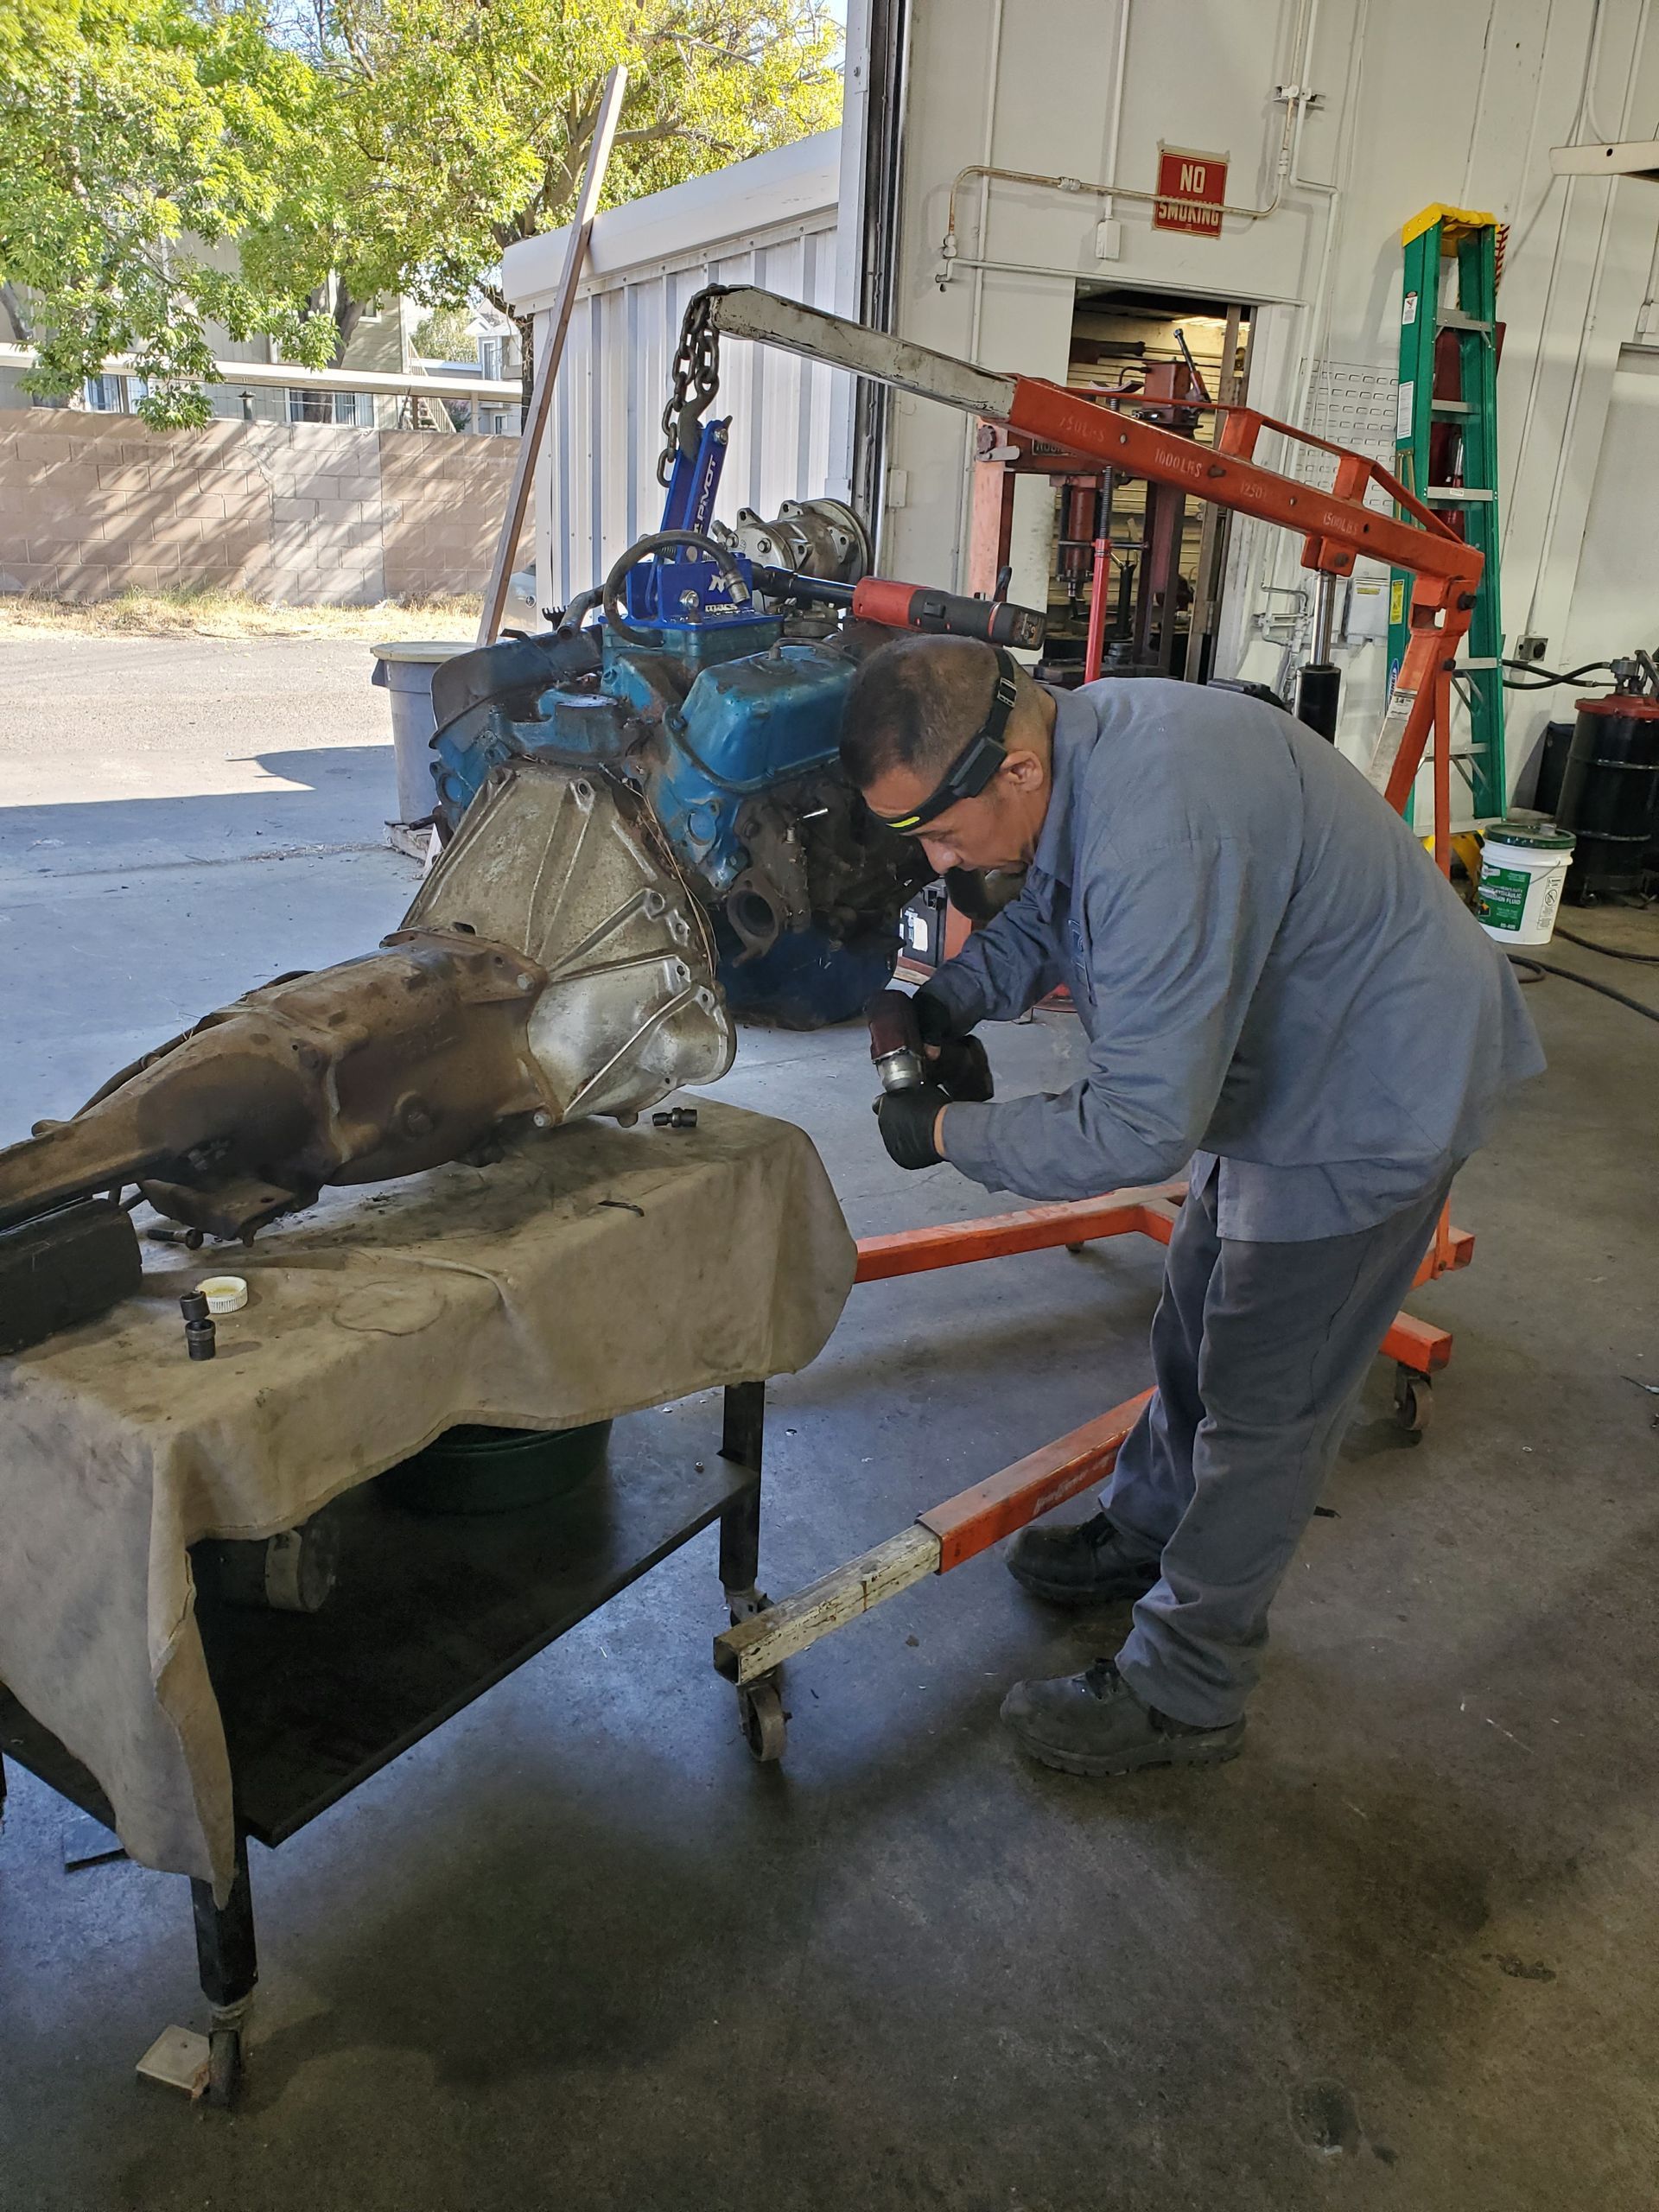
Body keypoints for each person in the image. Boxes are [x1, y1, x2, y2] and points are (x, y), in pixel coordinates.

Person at [841, 635, 1542, 1780]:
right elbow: (1057, 911)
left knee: (1267, 1401)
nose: (933, 855)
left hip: (1369, 1094)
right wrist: (949, 1000)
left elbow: (1135, 1130)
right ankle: (1149, 1527)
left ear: (1012, 770)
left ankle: (1188, 1687)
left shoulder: (1156, 827)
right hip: (1280, 1066)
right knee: (1194, 1314)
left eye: (937, 829)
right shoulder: (1079, 744)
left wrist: (947, 1134)